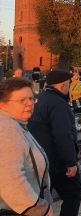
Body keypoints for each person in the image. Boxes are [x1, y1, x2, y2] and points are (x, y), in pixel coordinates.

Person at [28, 70, 81, 216]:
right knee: (73, 195)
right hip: (57, 162)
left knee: (44, 198)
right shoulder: (58, 104)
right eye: (69, 84)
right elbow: (63, 136)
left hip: (37, 160)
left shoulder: (36, 99)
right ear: (63, 85)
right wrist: (70, 162)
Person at [0, 78, 53, 215]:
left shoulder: (17, 124)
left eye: (31, 98)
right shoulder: (7, 127)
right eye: (22, 100)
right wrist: (39, 209)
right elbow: (9, 179)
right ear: (2, 105)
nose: (29, 103)